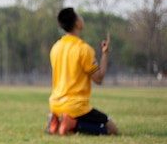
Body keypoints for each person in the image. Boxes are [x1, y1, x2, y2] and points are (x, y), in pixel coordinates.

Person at [46, 7, 119, 136]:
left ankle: (56, 121)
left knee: (91, 120)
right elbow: (99, 79)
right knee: (112, 129)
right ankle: (72, 124)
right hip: (75, 106)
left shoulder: (55, 47)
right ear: (77, 24)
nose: (82, 18)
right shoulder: (84, 49)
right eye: (79, 16)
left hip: (55, 104)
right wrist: (105, 54)